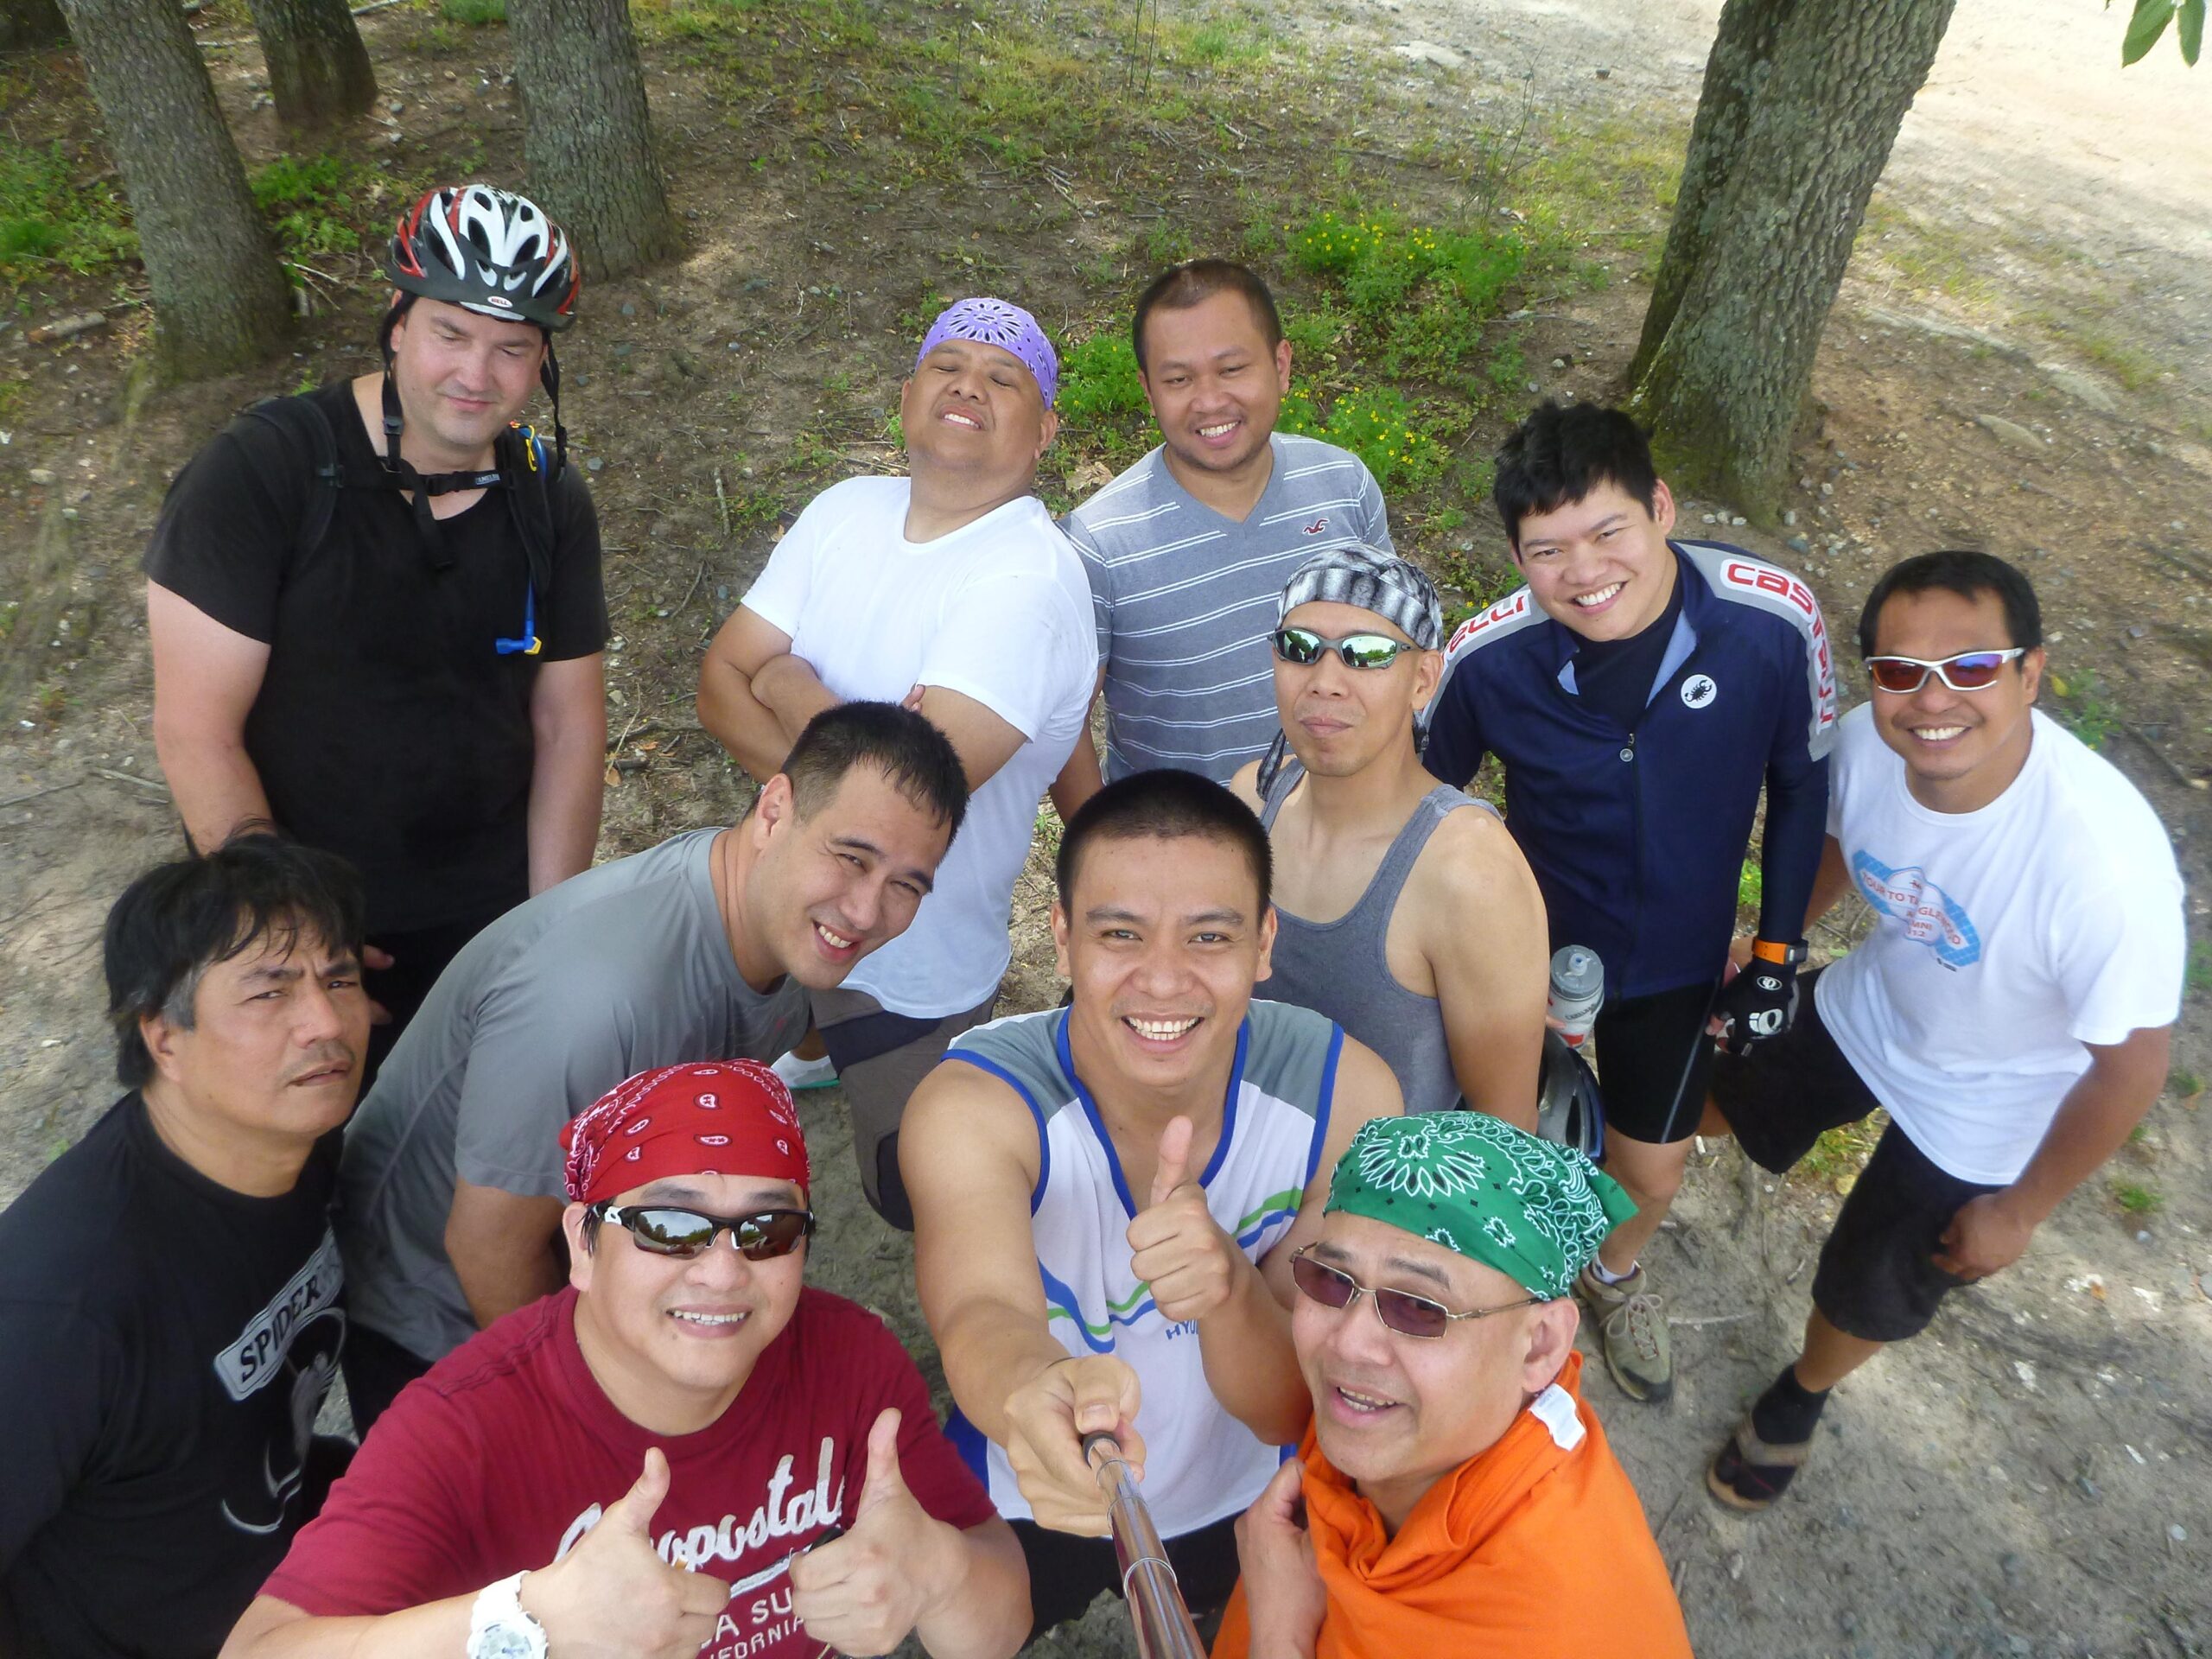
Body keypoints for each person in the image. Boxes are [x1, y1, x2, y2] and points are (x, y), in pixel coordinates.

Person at [222, 1060, 1030, 1659]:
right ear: (582, 1242)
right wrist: (521, 1626)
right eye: (669, 1226)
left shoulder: (851, 1361)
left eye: (768, 1230)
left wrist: (944, 1575)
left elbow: (1001, 1618)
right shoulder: (461, 1429)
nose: (722, 1271)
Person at [1700, 550, 2183, 1510]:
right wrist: (1773, 950)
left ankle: (1800, 1398)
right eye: (1897, 670)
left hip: (1989, 1105)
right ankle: (1615, 1218)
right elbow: (1834, 838)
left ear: (2030, 674)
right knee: (1716, 1088)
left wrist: (2021, 1208)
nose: (1931, 701)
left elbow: (2130, 1072)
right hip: (1874, 1003)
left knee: (1868, 1283)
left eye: (1968, 667)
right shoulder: (1867, 747)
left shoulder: (2104, 873)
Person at [335, 702, 968, 1431]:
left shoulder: (788, 925)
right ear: (773, 812)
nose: (865, 911)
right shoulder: (597, 1001)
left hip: (597, 1237)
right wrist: (592, 1426)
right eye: (851, 858)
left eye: (906, 886)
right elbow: (486, 1250)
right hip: (435, 1311)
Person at [902, 769, 1404, 1637]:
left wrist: (1227, 1290)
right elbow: (979, 1309)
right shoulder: (976, 1106)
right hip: (1034, 1473)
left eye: (1208, 937)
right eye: (1120, 934)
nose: (1163, 981)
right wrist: (1036, 1391)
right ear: (1061, 940)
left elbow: (1291, 1402)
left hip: (1241, 1488)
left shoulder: (1345, 1098)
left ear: (1263, 943)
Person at [1424, 400, 1836, 1404]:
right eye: (1546, 551)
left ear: (1660, 504)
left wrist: (1775, 954)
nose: (1583, 571)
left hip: (1676, 961)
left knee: (1648, 1174)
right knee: (1494, 1149)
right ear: (1517, 555)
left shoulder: (1771, 619)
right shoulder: (1488, 655)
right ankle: (1489, 1295)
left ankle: (1611, 1276)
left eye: (1608, 531)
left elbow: (1802, 790)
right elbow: (1414, 807)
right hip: (1519, 956)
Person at [146, 185, 608, 1079]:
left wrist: (549, 926)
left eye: (512, 347)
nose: (478, 373)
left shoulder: (547, 497)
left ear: (541, 361)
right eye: (451, 333)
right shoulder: (265, 472)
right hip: (300, 906)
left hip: (488, 905)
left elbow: (567, 721)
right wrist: (297, 935)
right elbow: (195, 729)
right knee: (307, 1158)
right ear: (397, 322)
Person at [698, 296, 1096, 1229]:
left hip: (910, 955)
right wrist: (851, 748)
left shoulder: (1027, 580)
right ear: (906, 396)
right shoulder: (846, 509)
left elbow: (907, 808)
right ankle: (808, 1047)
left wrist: (788, 678)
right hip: (777, 903)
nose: (969, 384)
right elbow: (716, 681)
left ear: (1043, 431)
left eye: (1004, 379)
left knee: (909, 1191)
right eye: (947, 366)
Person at [0, 834, 370, 1659]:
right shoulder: (63, 1307)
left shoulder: (304, 1145)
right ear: (163, 1037)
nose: (327, 1022)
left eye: (338, 978)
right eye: (269, 993)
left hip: (289, 1583)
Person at [1212, 1113, 1690, 1659]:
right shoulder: (1409, 1429)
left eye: (1419, 1308)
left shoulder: (1563, 1628)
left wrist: (1277, 1638)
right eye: (1332, 1280)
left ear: (1539, 1346)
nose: (1348, 1344)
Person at [1053, 258, 1393, 809]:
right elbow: (1061, 725)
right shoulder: (1097, 543)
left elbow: (1396, 654)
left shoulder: (1343, 484)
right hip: (1187, 866)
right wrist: (1103, 849)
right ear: (1147, 389)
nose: (1210, 401)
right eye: (1178, 379)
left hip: (1350, 838)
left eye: (1232, 368)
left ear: (1281, 364)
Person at [1229, 545, 1548, 1122]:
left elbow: (1505, 1131)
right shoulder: (1251, 801)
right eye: (1300, 649)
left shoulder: (1468, 872)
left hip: (1387, 1204)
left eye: (1366, 655)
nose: (1325, 682)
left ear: (1423, 680)